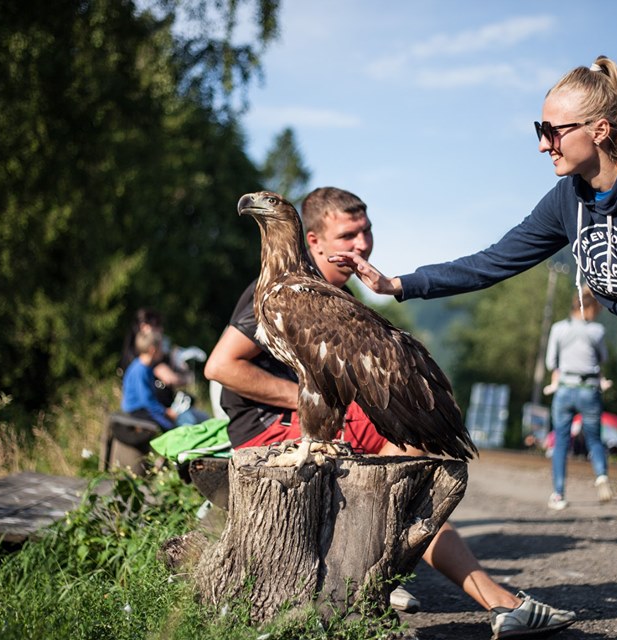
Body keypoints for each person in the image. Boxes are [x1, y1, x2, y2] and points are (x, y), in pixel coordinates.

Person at [332, 55, 617, 640]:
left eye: (552, 131)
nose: (542, 145)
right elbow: (494, 261)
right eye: (541, 130)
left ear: (600, 131)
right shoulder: (571, 199)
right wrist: (400, 285)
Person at [204, 186, 577, 639]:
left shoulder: (332, 297)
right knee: (400, 447)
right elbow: (221, 366)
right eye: (348, 235)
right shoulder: (284, 292)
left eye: (366, 232)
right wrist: (308, 397)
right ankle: (408, 579)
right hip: (268, 425)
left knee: (407, 454)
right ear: (313, 240)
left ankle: (381, 570)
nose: (361, 244)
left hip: (312, 417)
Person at [544, 285, 612, 510]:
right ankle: (601, 476)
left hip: (564, 389)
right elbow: (603, 358)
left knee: (561, 442)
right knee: (594, 438)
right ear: (591, 308)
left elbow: (551, 362)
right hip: (589, 389)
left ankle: (558, 494)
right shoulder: (597, 331)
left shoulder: (558, 329)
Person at [120, 308, 208, 425]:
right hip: (140, 413)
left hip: (146, 411)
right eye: (161, 348)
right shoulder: (141, 369)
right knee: (182, 424)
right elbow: (146, 400)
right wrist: (166, 412)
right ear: (152, 350)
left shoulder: (144, 367)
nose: (163, 351)